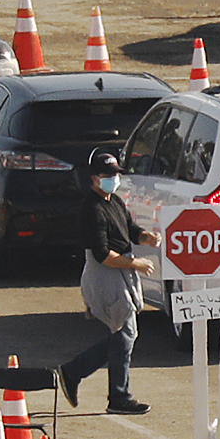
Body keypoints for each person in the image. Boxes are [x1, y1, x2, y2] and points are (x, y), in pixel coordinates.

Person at [55, 152, 148, 414]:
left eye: (116, 174)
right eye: (108, 176)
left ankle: (72, 373)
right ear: (94, 178)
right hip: (105, 274)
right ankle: (118, 397)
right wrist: (136, 264)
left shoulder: (114, 201)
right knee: (125, 334)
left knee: (123, 336)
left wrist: (145, 237)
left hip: (121, 271)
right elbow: (103, 254)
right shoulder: (92, 209)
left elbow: (129, 229)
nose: (113, 179)